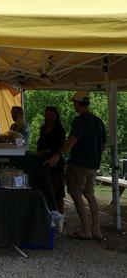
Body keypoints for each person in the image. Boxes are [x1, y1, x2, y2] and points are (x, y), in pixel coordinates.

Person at [45, 91, 106, 240]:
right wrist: (95, 155)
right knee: (90, 195)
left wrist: (57, 155)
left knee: (76, 194)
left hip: (79, 164)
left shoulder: (81, 120)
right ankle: (96, 229)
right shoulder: (98, 121)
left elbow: (71, 140)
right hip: (93, 165)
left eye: (74, 103)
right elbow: (103, 145)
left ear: (78, 103)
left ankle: (85, 229)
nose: (74, 106)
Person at [37, 106, 66, 213]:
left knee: (58, 192)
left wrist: (48, 152)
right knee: (46, 190)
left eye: (52, 116)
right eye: (47, 115)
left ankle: (61, 215)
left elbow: (60, 146)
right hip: (44, 163)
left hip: (56, 164)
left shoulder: (59, 130)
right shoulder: (43, 129)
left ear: (56, 117)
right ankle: (49, 213)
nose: (49, 117)